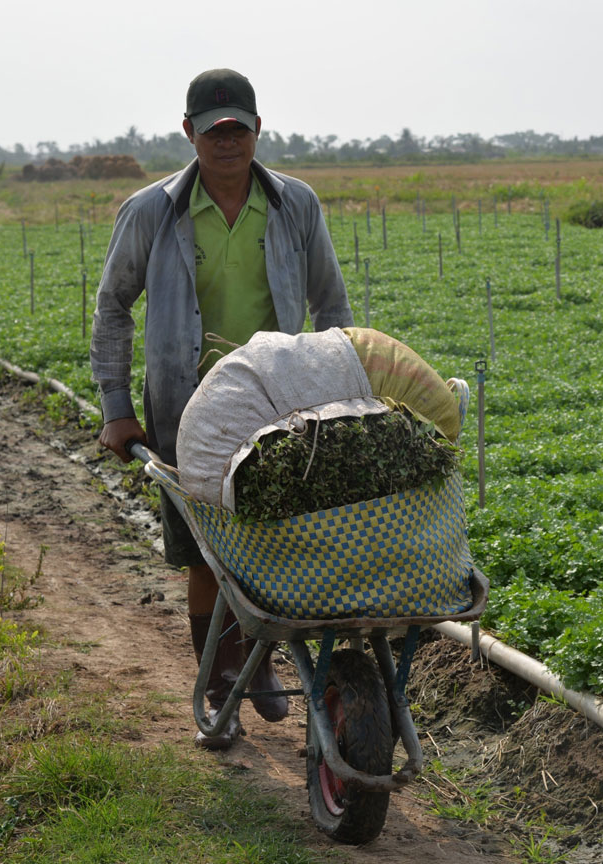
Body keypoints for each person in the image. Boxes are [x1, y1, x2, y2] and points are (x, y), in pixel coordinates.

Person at [90, 68, 353, 750]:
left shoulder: (295, 205)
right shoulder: (153, 211)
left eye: (238, 129)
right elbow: (113, 305)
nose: (227, 142)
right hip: (186, 408)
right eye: (214, 132)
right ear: (190, 134)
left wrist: (341, 389)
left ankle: (258, 661)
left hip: (279, 406)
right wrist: (118, 406)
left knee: (272, 539)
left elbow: (332, 305)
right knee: (207, 553)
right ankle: (221, 681)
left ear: (257, 129)